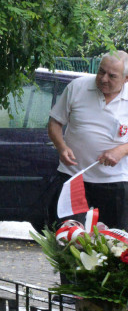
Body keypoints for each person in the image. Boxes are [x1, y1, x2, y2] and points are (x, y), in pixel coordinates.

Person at [48, 51, 128, 230]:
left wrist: (121, 150)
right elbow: (54, 123)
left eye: (112, 76)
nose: (103, 79)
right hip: (73, 177)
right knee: (68, 238)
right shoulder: (77, 86)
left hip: (115, 182)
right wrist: (61, 146)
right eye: (101, 71)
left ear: (126, 79)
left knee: (115, 243)